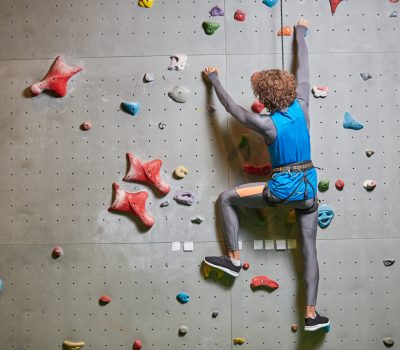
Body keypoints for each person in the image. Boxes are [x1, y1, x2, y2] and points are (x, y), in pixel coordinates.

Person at [202, 19, 330, 331]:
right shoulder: (303, 103)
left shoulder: (266, 123)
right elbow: (304, 68)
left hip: (282, 190)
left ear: (266, 98)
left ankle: (233, 259)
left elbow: (233, 109)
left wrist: (214, 80)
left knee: (226, 199)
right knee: (309, 248)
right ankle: (311, 315)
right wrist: (300, 34)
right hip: (308, 192)